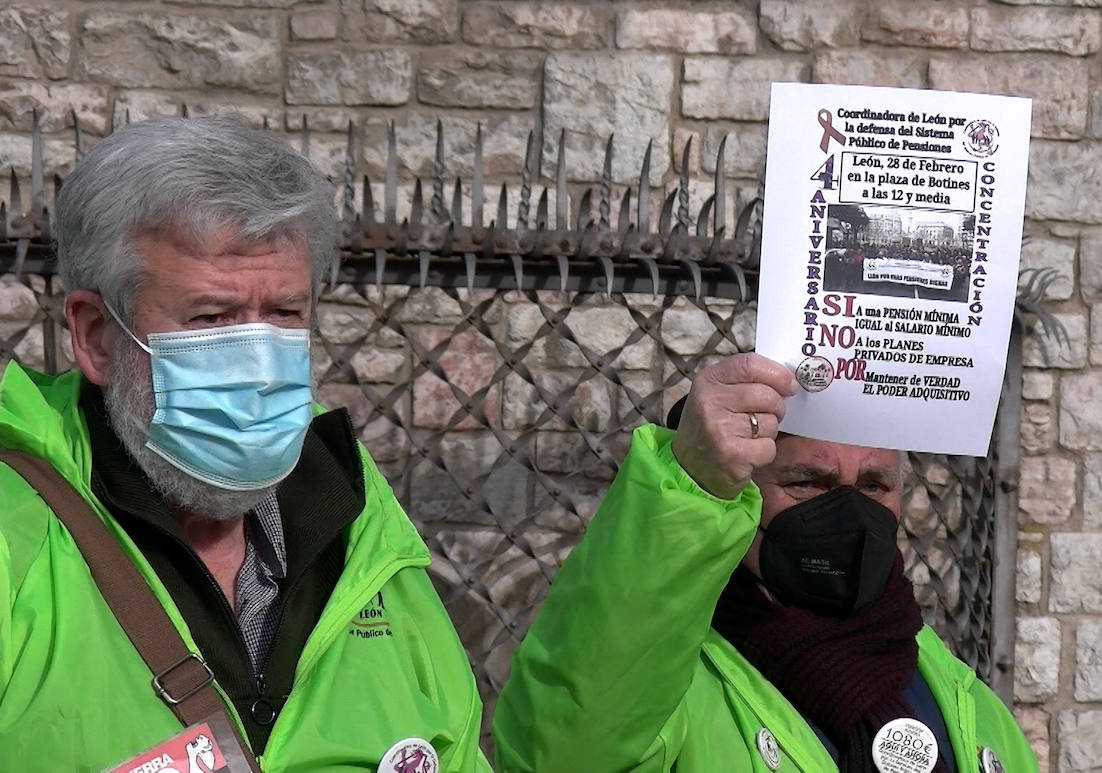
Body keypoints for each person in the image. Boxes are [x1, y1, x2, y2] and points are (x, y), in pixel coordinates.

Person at [0, 116, 490, 771]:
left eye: (285, 313)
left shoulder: (367, 545)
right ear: (94, 334)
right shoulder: (16, 544)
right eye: (211, 317)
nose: (258, 362)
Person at [493, 353, 1037, 772]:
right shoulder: (669, 680)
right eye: (807, 483)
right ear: (738, 492)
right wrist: (690, 487)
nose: (849, 510)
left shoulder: (957, 693)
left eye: (874, 485)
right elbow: (565, 749)